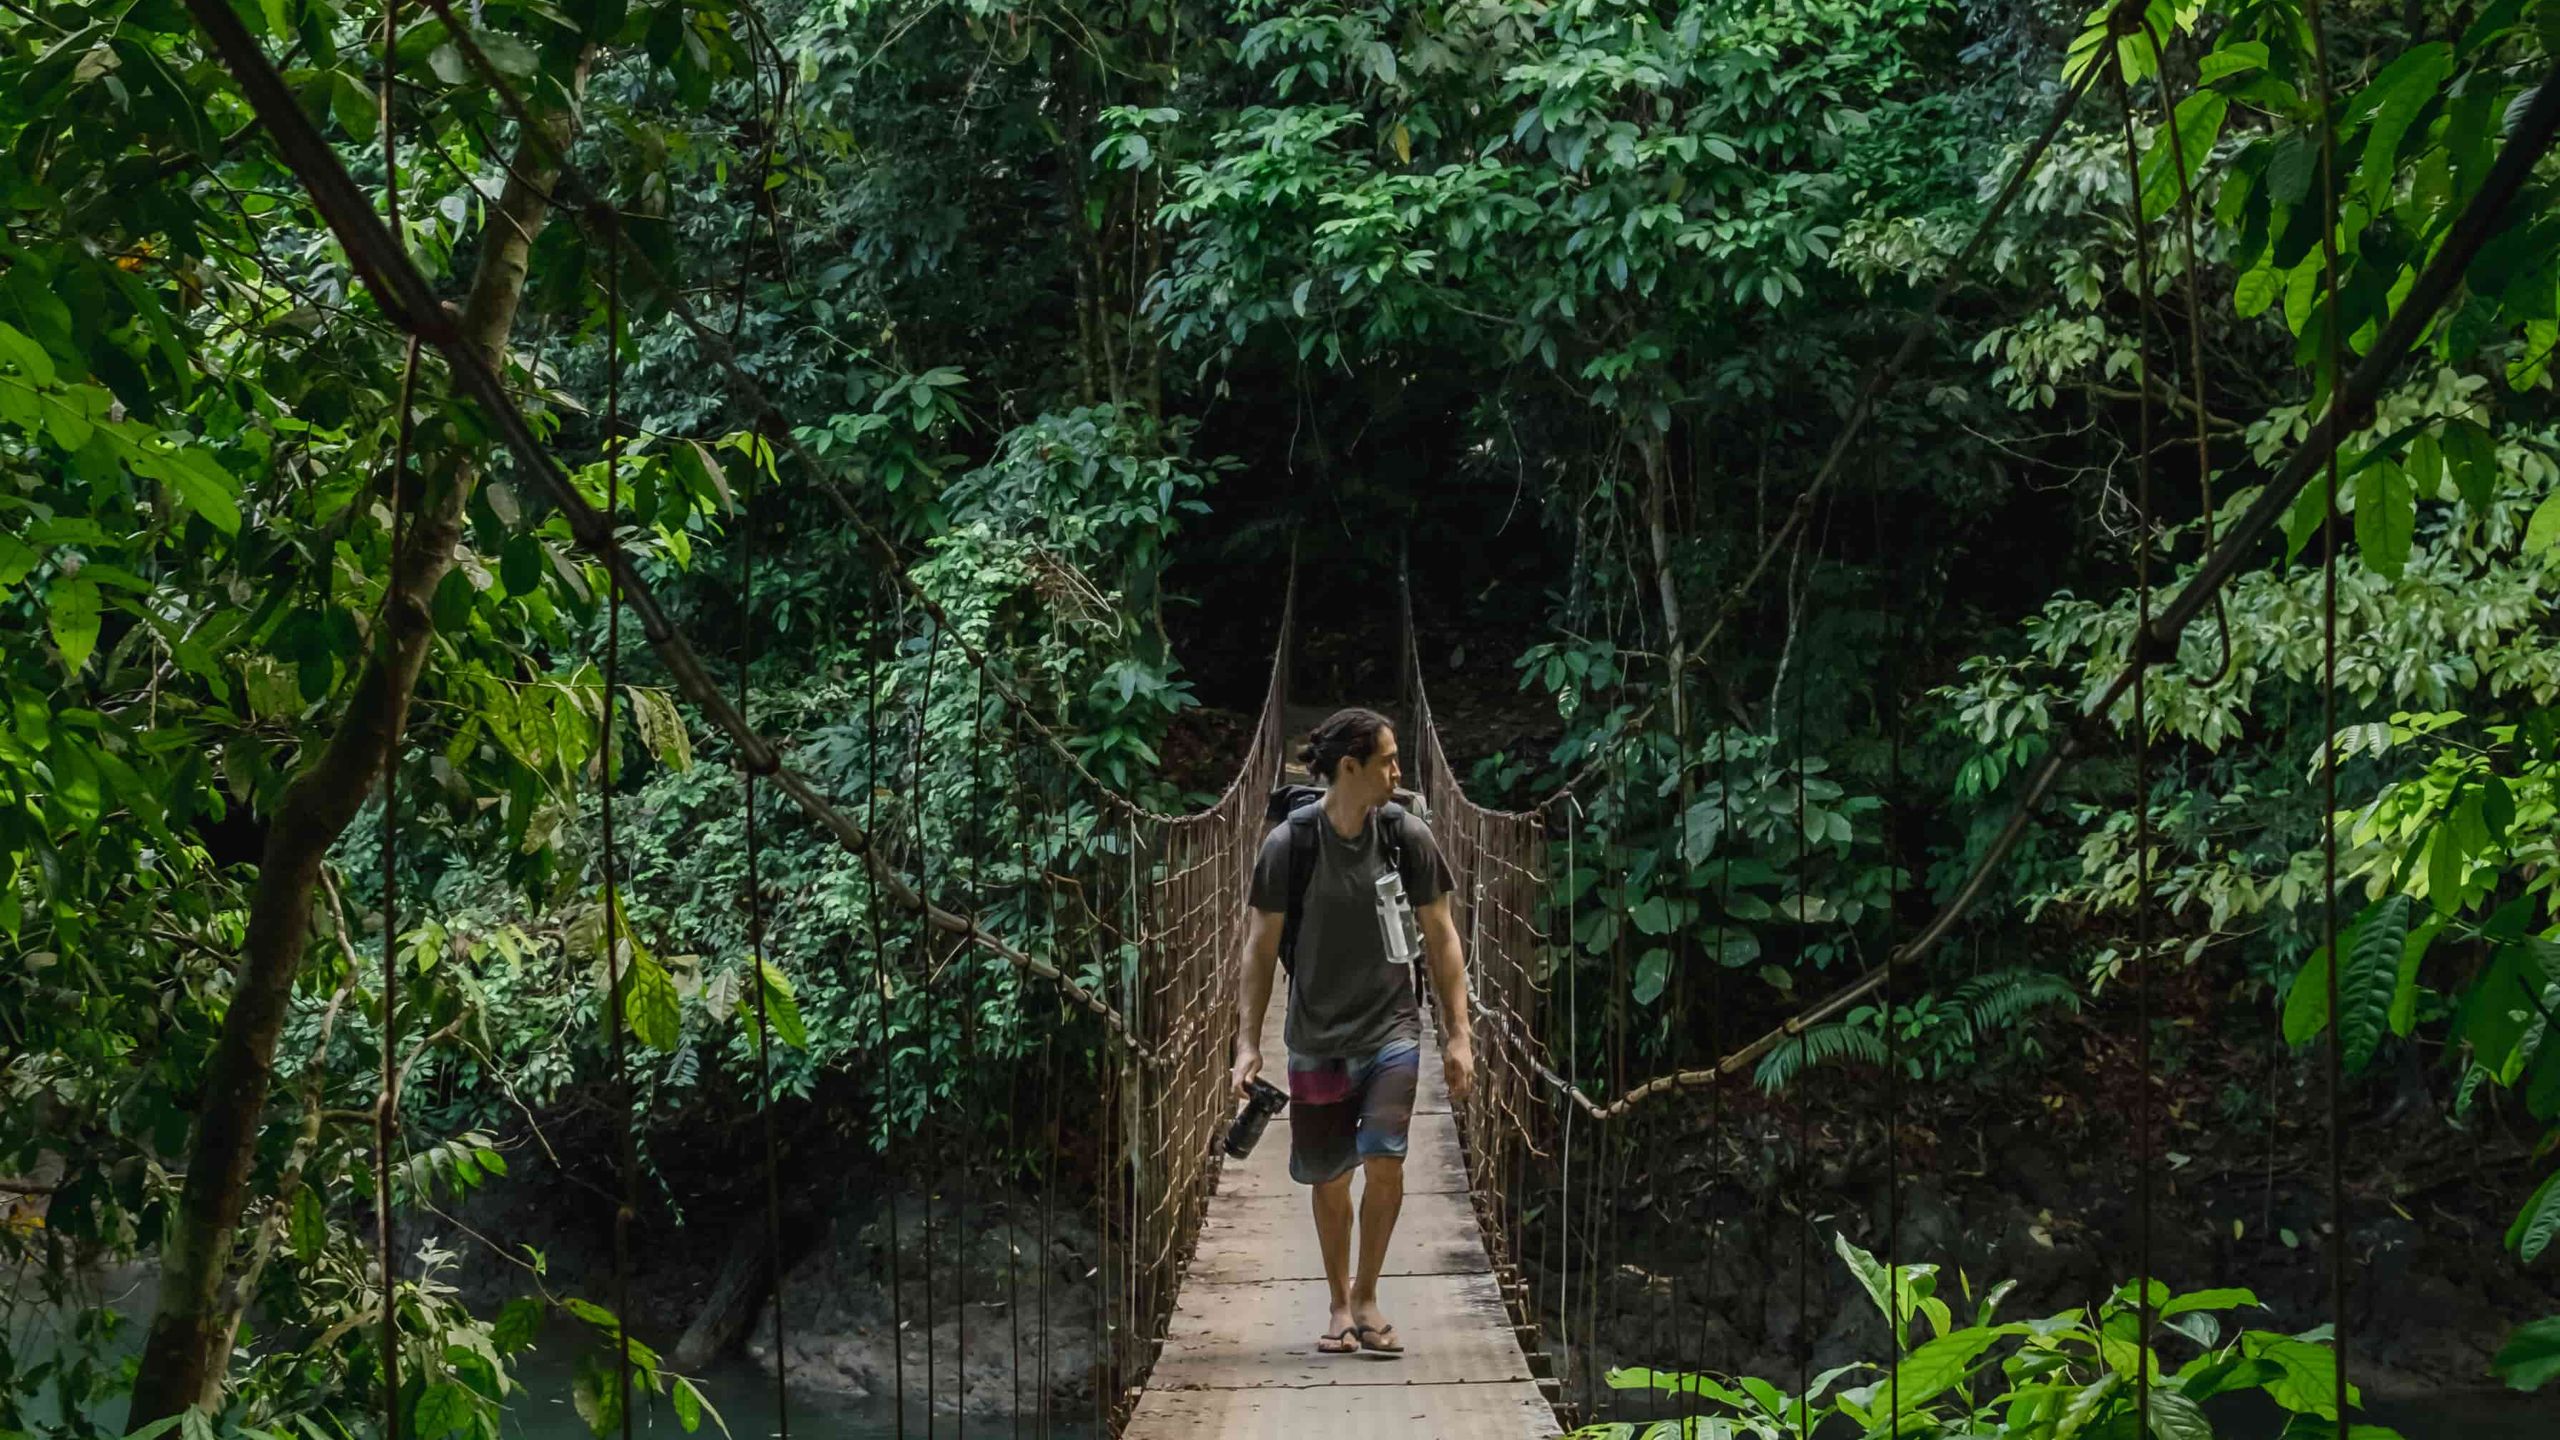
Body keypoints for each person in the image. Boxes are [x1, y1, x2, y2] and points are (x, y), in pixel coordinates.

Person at [1230, 707, 1476, 1357]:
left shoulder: (1407, 836)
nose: (1399, 772)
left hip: (1392, 1025)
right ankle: (1338, 1304)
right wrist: (1249, 1042)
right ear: (1350, 768)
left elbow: (1442, 936)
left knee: (1385, 1157)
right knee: (1331, 1177)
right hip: (1315, 1035)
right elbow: (1260, 948)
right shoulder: (1291, 846)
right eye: (1388, 761)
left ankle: (1367, 1295)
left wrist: (1459, 1034)